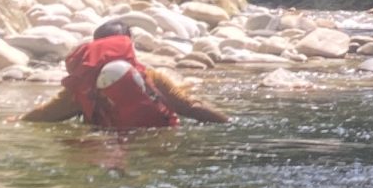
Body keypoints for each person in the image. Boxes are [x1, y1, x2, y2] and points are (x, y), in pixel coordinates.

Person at [23, 20, 228, 128]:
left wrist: (17, 120)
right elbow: (191, 107)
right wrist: (227, 122)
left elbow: (46, 114)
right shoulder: (151, 77)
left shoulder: (83, 83)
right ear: (129, 44)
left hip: (104, 145)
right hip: (157, 142)